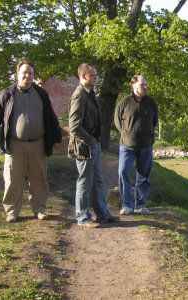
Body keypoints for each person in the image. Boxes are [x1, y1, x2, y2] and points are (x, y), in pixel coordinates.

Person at [0, 60, 62, 222]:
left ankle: (39, 208)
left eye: (30, 73)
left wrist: (56, 138)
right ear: (17, 74)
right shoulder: (7, 93)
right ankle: (12, 210)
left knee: (39, 177)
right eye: (24, 72)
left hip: (38, 143)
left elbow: (51, 117)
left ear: (34, 76)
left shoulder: (41, 94)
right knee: (13, 178)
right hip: (14, 144)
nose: (27, 75)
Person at [68, 63, 120, 228]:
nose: (96, 78)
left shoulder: (89, 94)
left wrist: (95, 141)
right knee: (85, 182)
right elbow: (74, 126)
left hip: (93, 144)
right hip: (84, 147)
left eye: (96, 75)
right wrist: (91, 141)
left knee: (97, 181)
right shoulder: (79, 96)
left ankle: (103, 214)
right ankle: (83, 218)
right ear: (83, 76)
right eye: (93, 75)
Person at [114, 75, 158, 215]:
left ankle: (140, 204)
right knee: (123, 172)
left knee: (143, 175)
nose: (144, 87)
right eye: (141, 85)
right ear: (133, 86)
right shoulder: (125, 101)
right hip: (127, 145)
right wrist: (125, 133)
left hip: (146, 145)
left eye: (145, 85)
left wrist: (149, 134)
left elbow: (154, 121)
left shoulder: (151, 102)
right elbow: (117, 119)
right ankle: (126, 204)